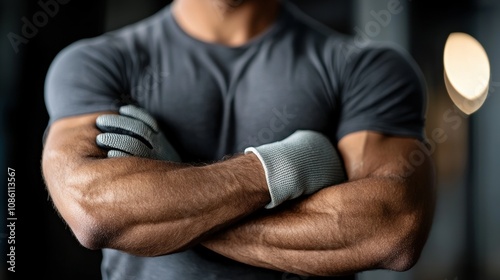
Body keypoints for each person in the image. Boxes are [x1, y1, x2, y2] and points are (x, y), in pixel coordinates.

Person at [41, 0, 436, 279]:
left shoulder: (366, 70)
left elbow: (391, 228)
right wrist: (286, 166)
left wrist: (162, 209)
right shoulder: (96, 64)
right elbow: (93, 209)